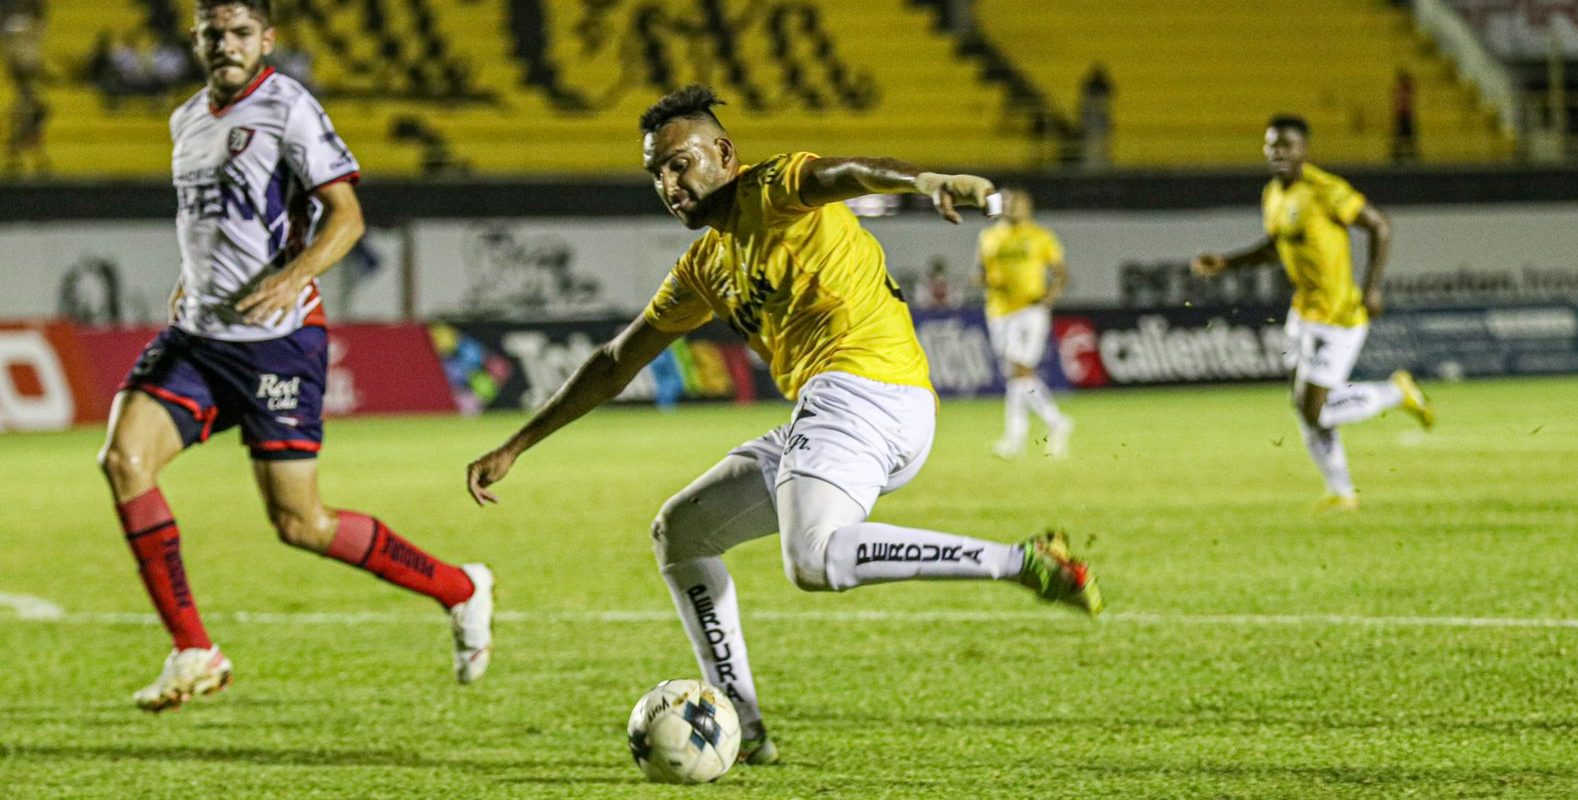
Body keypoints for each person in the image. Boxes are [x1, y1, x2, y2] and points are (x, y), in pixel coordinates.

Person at [466, 85, 1102, 765]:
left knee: (814, 558)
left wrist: (924, 180)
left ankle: (1023, 562)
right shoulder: (705, 266)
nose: (669, 184)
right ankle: (742, 725)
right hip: (834, 414)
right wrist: (516, 444)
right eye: (656, 172)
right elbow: (618, 360)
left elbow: (847, 172)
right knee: (679, 533)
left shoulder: (771, 190)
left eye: (680, 163)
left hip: (866, 389)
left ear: (724, 153)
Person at [98, 0, 494, 713]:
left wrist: (293, 276)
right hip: (198, 335)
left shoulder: (289, 109)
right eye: (214, 34)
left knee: (300, 524)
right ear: (196, 41)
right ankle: (194, 648)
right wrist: (195, 280)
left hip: (276, 345)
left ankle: (459, 588)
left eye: (241, 33)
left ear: (267, 40)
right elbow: (214, 220)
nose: (227, 44)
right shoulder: (185, 119)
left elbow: (346, 215)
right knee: (125, 460)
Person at [1191, 114, 1433, 511]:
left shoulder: (1325, 190)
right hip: (1302, 313)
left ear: (1304, 149)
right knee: (1304, 406)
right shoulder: (1273, 194)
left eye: (1287, 145)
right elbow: (1276, 246)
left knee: (1313, 408)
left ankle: (1395, 392)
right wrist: (1227, 264)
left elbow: (1380, 226)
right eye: (1272, 145)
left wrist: (1372, 288)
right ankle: (1341, 492)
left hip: (1338, 315)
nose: (1278, 153)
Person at [976, 189, 1072, 459]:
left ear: (1028, 207)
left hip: (1030, 311)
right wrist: (983, 282)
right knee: (1016, 375)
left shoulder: (1041, 237)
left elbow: (1061, 275)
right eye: (1007, 203)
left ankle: (1015, 438)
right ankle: (1054, 423)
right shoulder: (989, 237)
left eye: (1018, 203)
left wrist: (1049, 298)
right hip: (998, 311)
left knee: (1020, 369)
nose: (1012, 207)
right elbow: (982, 273)